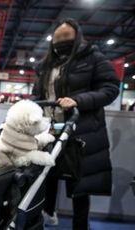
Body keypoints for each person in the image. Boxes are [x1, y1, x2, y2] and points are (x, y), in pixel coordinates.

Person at [32, 18, 120, 230]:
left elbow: (110, 88)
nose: (61, 40)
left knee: (81, 183)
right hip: (53, 126)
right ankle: (48, 214)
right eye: (58, 37)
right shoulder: (46, 64)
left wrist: (78, 101)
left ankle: (80, 226)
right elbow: (38, 94)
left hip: (84, 129)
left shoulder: (93, 57)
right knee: (46, 171)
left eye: (66, 36)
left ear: (77, 36)